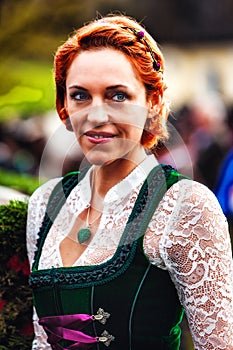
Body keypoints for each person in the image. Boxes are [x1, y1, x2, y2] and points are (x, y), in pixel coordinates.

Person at [26, 13, 233, 350]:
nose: (96, 115)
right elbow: (42, 340)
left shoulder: (185, 205)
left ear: (152, 103)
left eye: (117, 96)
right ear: (63, 106)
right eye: (79, 95)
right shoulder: (45, 203)